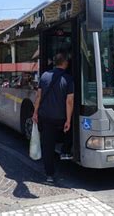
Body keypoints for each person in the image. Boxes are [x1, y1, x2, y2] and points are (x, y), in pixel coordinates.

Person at [32, 53, 74, 183]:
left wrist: (35, 113)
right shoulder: (68, 79)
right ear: (65, 63)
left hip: (46, 117)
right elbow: (69, 101)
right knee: (69, 133)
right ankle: (65, 152)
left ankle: (49, 174)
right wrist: (68, 120)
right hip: (60, 118)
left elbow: (38, 97)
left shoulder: (44, 76)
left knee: (48, 147)